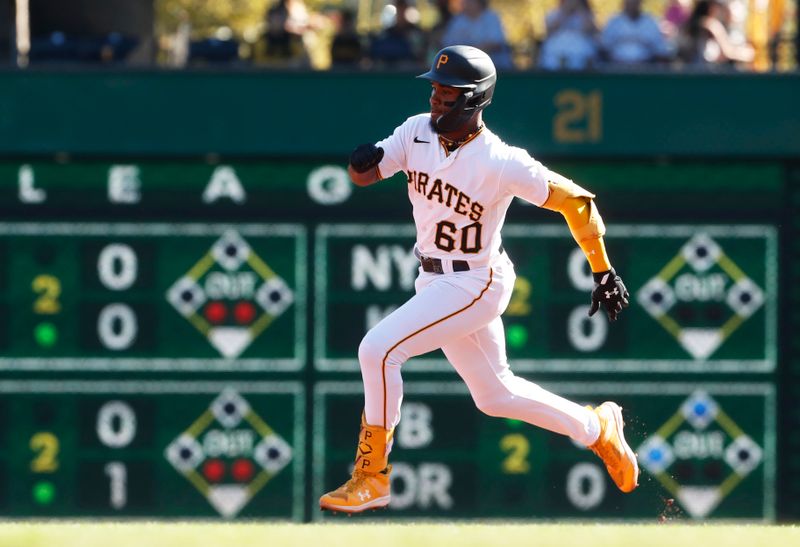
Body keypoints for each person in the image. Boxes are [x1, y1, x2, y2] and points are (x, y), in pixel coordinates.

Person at [319, 45, 639, 514]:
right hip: (433, 279)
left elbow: (577, 202)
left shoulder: (501, 160)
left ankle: (372, 476)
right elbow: (366, 174)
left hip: (475, 281)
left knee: (378, 349)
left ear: (473, 99)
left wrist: (603, 269)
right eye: (434, 88)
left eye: (447, 93)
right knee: (496, 395)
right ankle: (597, 429)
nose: (436, 99)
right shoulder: (415, 131)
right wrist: (362, 162)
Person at [440, 0, 514, 70]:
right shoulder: (458, 20)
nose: (465, 3)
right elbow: (448, 45)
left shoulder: (491, 17)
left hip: (498, 69)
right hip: (465, 71)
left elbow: (495, 44)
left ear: (479, 2)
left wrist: (466, 53)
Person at [676, 0, 754, 66]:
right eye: (719, 7)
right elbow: (728, 52)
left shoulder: (692, 23)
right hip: (702, 71)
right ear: (711, 7)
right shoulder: (710, 24)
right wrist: (746, 54)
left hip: (692, 69)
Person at [600, 0, 672, 65]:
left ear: (640, 2)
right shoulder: (614, 22)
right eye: (629, 1)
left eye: (635, 1)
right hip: (617, 69)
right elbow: (603, 50)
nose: (632, 3)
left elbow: (661, 52)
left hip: (645, 69)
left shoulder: (650, 22)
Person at [538, 0, 599, 70]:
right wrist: (565, 11)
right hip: (556, 56)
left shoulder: (587, 15)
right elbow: (550, 31)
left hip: (581, 57)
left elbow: (590, 30)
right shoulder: (553, 14)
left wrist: (580, 9)